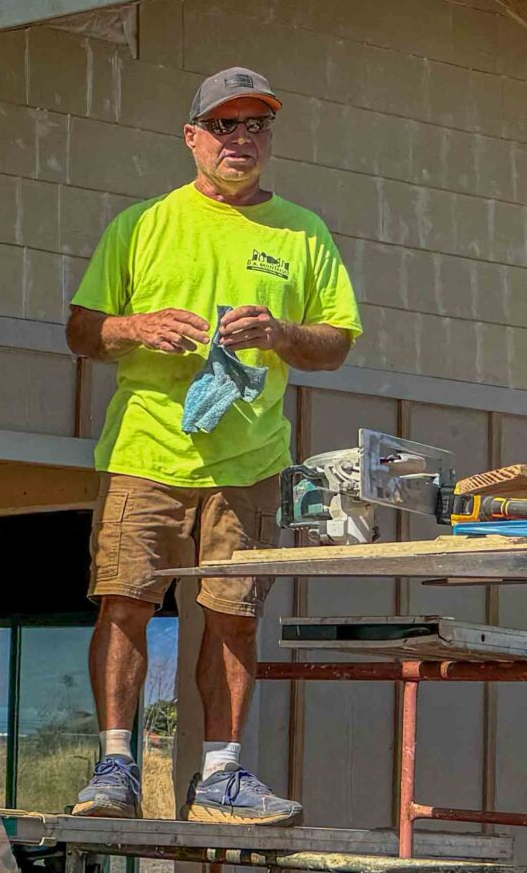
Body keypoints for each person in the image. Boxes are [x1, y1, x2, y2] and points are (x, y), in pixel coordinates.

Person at [63, 66, 363, 825]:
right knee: (125, 601)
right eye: (224, 125)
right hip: (146, 451)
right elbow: (80, 329)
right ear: (192, 137)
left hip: (251, 461)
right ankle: (115, 768)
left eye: (256, 125)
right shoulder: (142, 223)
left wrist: (281, 333)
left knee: (234, 615)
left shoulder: (304, 231)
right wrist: (137, 326)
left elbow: (335, 341)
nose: (241, 140)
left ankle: (223, 776)